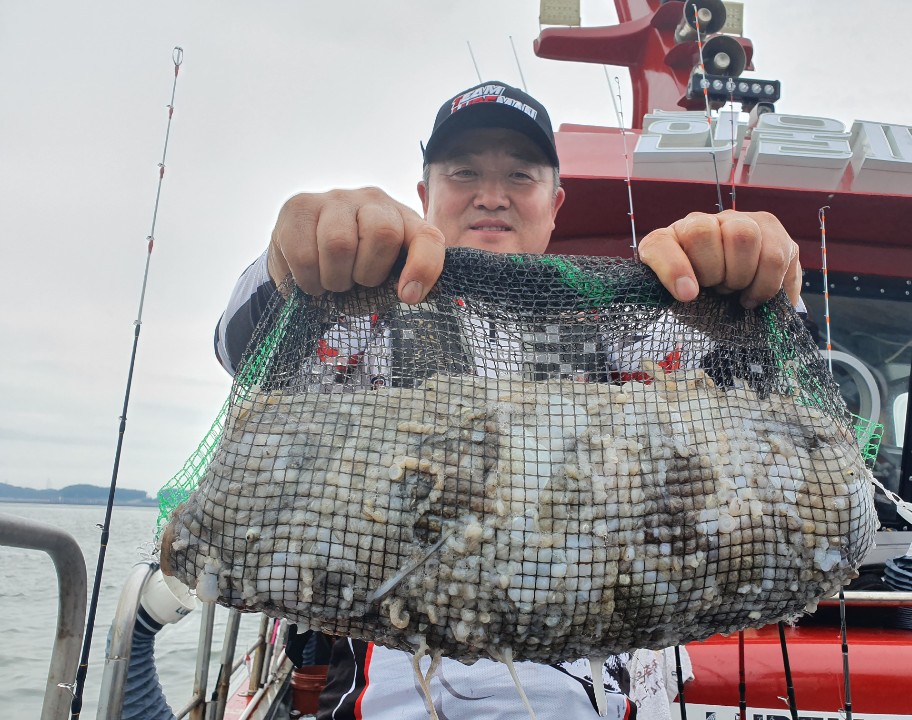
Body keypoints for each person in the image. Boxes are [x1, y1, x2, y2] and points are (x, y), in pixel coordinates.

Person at [215, 81, 802, 718]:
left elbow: (756, 392)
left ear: (555, 203)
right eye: (463, 171)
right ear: (424, 196)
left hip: (588, 666)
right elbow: (241, 350)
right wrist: (293, 261)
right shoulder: (364, 321)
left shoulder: (624, 333)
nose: (490, 194)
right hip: (387, 666)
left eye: (520, 175)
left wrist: (753, 288)